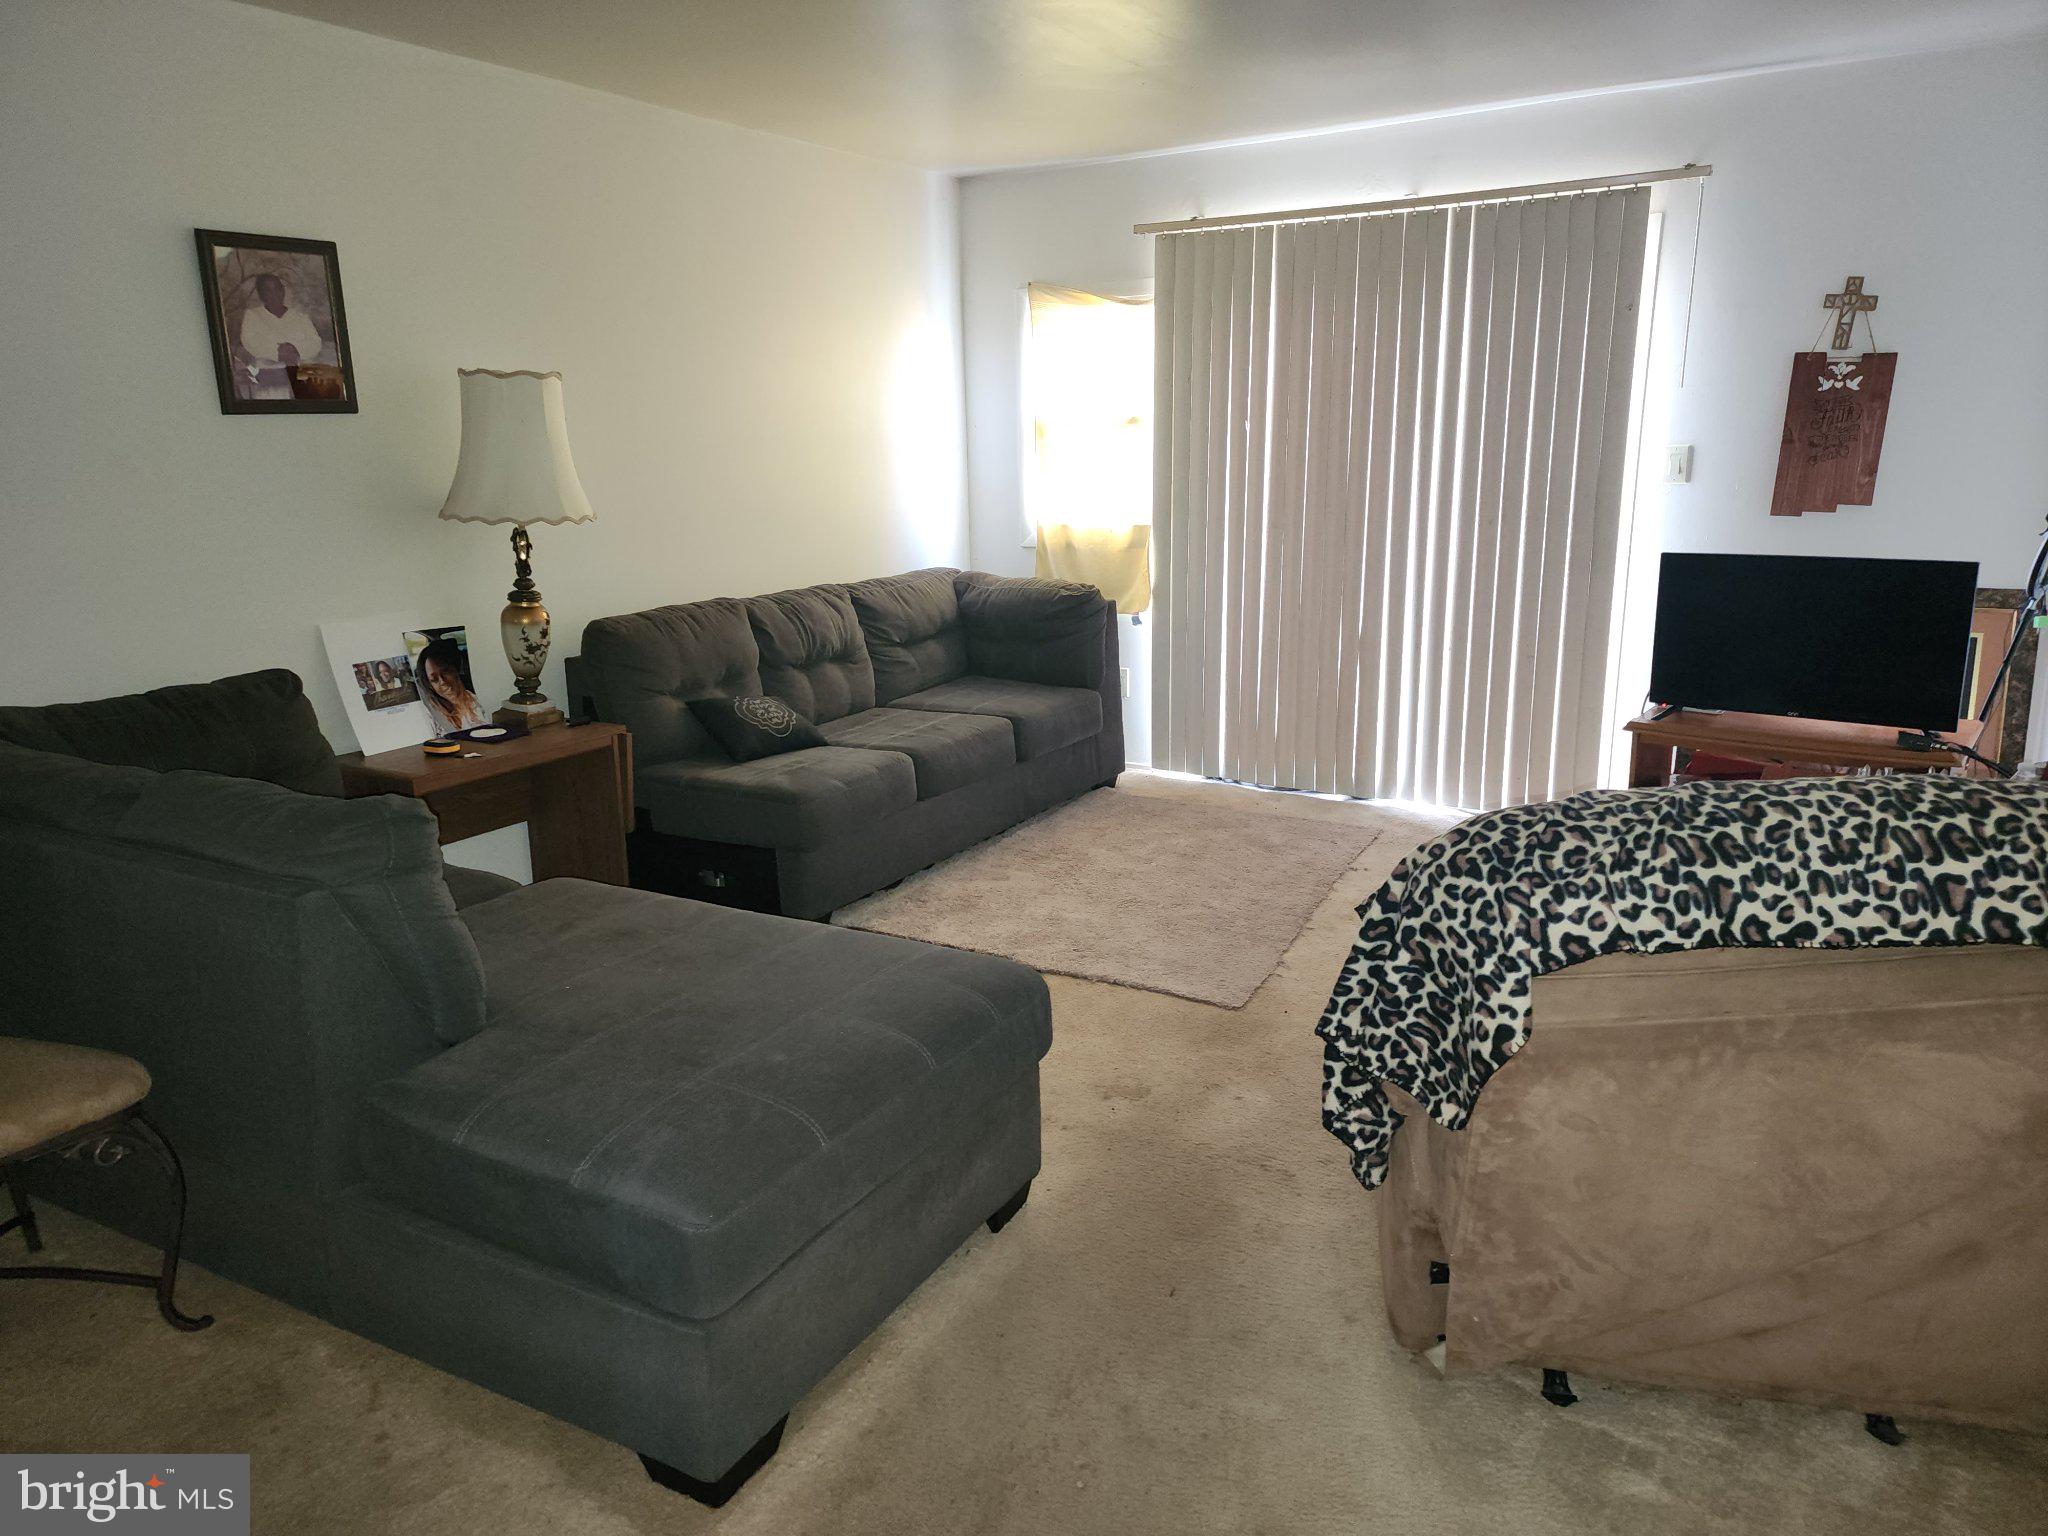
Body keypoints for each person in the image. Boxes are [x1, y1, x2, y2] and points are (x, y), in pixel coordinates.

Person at [235, 272, 325, 400]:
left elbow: (315, 343)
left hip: (302, 376)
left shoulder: (300, 317)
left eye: (278, 288)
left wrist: (295, 350)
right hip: (269, 378)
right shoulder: (253, 316)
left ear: (283, 290)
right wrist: (278, 352)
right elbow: (250, 342)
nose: (275, 293)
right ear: (261, 294)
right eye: (268, 290)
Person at [414, 636, 488, 733]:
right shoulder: (431, 715)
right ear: (430, 686)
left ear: (455, 669)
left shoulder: (475, 699)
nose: (442, 681)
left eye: (445, 671)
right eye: (434, 679)